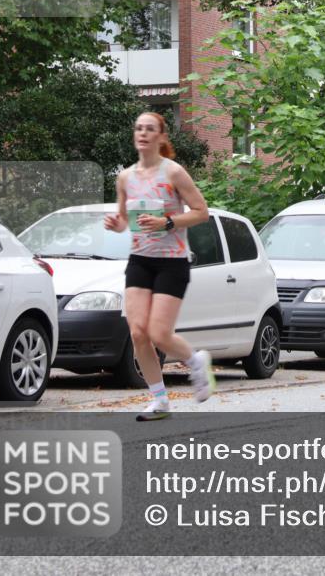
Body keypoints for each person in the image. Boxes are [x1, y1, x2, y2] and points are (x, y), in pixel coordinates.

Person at [104, 112, 216, 421]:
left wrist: (166, 222)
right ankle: (159, 400)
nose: (142, 133)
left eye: (149, 129)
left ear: (161, 137)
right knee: (138, 332)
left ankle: (195, 361)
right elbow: (126, 220)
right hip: (140, 260)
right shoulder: (125, 177)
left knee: (159, 334)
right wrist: (116, 224)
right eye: (138, 128)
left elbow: (201, 212)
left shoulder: (174, 172)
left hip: (172, 262)